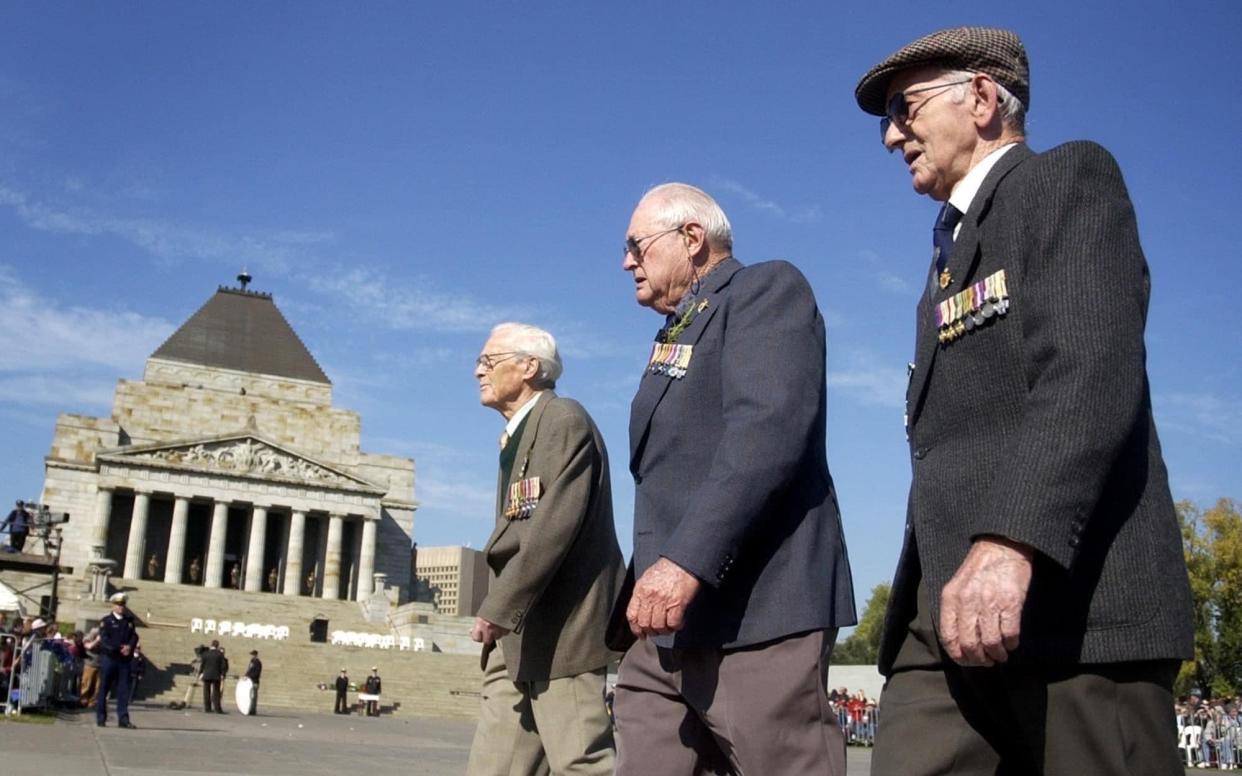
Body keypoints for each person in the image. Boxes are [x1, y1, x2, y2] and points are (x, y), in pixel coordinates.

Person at [852, 26, 1195, 776]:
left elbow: (1091, 369)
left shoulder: (1067, 179)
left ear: (980, 98)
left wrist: (1010, 540)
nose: (890, 136)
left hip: (1075, 614)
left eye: (906, 108)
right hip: (944, 615)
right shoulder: (946, 257)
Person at [612, 183, 856, 776]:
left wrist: (685, 561)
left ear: (691, 238)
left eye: (636, 245)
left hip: (757, 611)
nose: (626, 262)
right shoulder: (679, 327)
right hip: (665, 627)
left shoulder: (763, 290)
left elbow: (766, 431)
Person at [465, 322, 626, 776]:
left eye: (489, 361)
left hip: (562, 632)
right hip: (517, 633)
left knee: (581, 762)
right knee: (495, 766)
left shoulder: (563, 418)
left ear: (529, 367)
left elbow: (555, 523)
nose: (478, 371)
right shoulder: (518, 434)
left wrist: (499, 605)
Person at [95, 592, 139, 728]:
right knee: (104, 688)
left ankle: (123, 719)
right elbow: (104, 639)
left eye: (123, 605)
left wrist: (129, 647)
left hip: (124, 661)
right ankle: (101, 717)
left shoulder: (129, 621)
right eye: (118, 604)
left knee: (123, 690)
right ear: (113, 605)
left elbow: (134, 637)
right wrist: (117, 648)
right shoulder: (106, 621)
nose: (121, 607)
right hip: (110, 658)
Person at [198, 639, 226, 713]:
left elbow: (202, 665)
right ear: (217, 646)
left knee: (206, 692)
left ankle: (207, 708)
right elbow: (223, 665)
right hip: (216, 675)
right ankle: (217, 708)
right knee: (216, 692)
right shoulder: (220, 654)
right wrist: (222, 674)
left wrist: (200, 673)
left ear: (211, 645)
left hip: (207, 674)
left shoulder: (206, 654)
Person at [244, 649, 262, 715]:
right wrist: (246, 675)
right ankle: (249, 709)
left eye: (253, 655)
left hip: (254, 681)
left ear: (255, 655)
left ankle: (253, 710)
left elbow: (257, 673)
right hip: (250, 681)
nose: (251, 656)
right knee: (250, 696)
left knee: (254, 696)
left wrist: (250, 676)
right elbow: (249, 670)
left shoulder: (257, 662)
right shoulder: (252, 662)